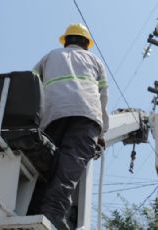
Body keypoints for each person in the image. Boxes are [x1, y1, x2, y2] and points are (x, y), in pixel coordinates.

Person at [30, 23, 109, 230]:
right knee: (71, 163)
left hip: (53, 114)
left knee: (49, 162)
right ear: (86, 44)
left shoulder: (50, 56)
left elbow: (30, 84)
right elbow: (103, 98)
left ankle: (34, 207)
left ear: (66, 41)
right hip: (86, 115)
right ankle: (54, 209)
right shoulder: (95, 61)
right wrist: (102, 132)